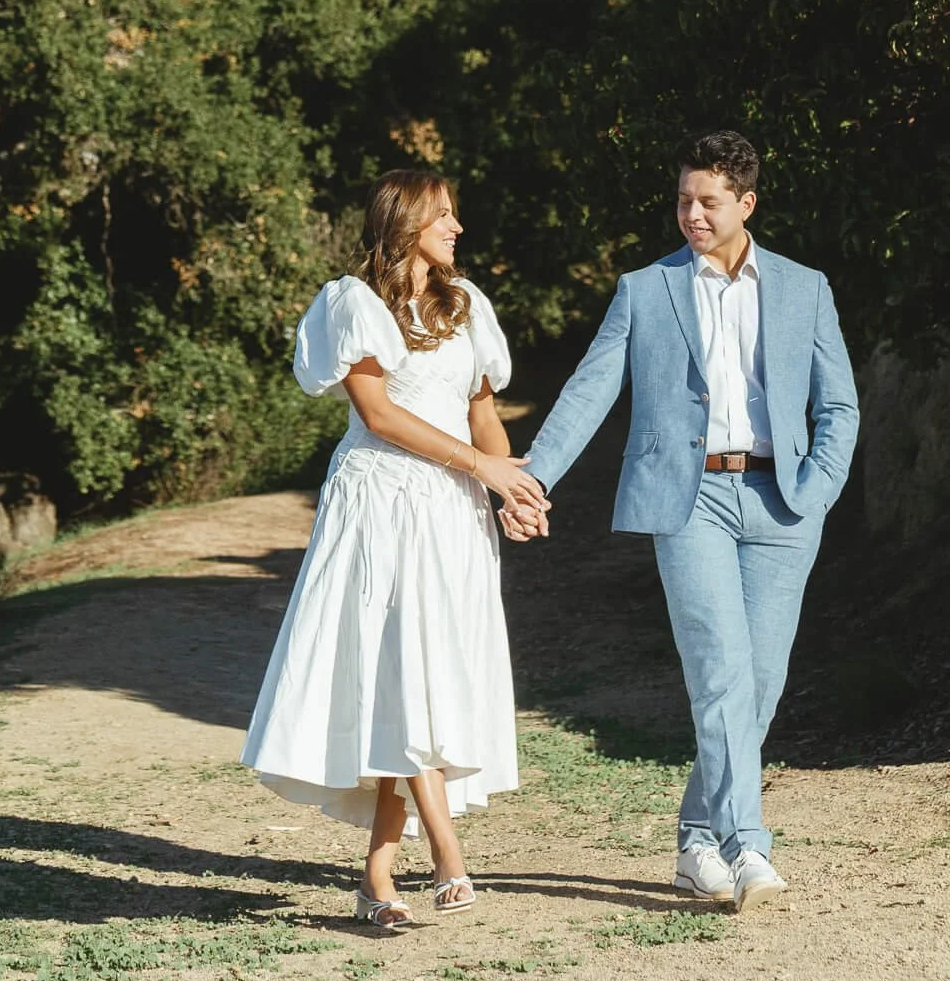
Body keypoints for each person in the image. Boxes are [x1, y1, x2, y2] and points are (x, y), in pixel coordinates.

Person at [506, 130, 859, 913]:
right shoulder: (645, 289)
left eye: (707, 201)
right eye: (682, 200)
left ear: (746, 204)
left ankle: (697, 839)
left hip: (782, 503)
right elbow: (589, 390)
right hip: (688, 499)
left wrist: (820, 489)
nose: (691, 214)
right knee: (721, 672)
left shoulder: (805, 287)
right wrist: (532, 480)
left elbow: (838, 404)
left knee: (760, 685)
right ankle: (748, 847)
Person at [242, 167, 546, 931]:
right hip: (380, 504)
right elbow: (377, 415)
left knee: (421, 675)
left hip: (450, 510)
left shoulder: (467, 303)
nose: (458, 229)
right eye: (445, 216)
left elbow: (483, 410)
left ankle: (377, 874)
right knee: (400, 668)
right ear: (407, 221)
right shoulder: (354, 303)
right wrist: (482, 469)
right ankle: (447, 853)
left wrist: (508, 487)